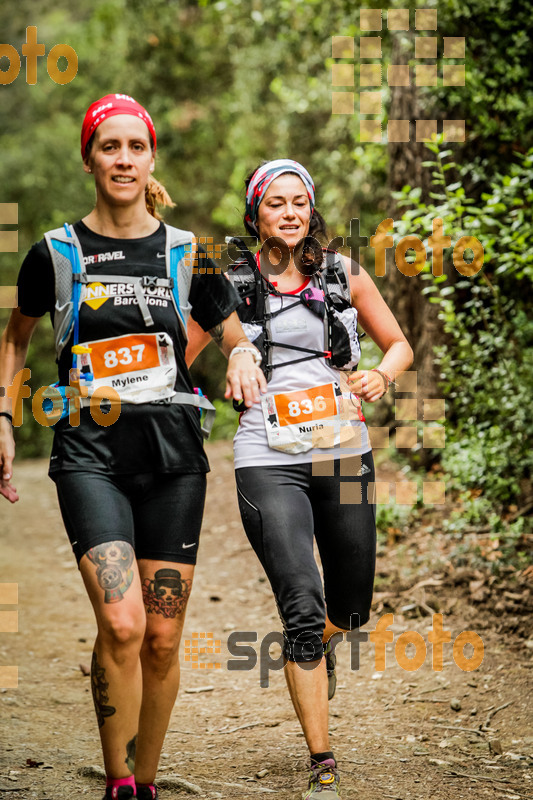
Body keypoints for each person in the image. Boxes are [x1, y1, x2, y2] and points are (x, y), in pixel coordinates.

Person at [0, 94, 266, 800]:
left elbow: (234, 334)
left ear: (150, 158)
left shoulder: (186, 254)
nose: (122, 158)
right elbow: (16, 337)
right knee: (121, 622)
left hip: (174, 460)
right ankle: (118, 780)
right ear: (89, 156)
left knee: (161, 638)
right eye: (108, 146)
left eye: (134, 147)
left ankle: (145, 782)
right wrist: (2, 413)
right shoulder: (54, 254)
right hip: (90, 456)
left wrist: (239, 361)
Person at [186, 159, 413, 799]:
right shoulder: (226, 281)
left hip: (343, 449)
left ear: (311, 210)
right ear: (255, 214)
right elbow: (178, 353)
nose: (290, 213)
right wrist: (222, 372)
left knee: (352, 604)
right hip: (267, 454)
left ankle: (319, 645)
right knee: (303, 609)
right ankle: (323, 761)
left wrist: (381, 376)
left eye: (300, 202)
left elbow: (397, 344)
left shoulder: (343, 272)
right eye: (275, 203)